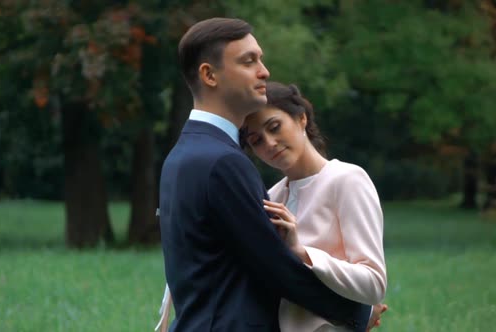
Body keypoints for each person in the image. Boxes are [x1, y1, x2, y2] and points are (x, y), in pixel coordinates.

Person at [158, 17, 372, 332]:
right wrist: (359, 312)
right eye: (249, 61)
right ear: (209, 74)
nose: (264, 71)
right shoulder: (223, 162)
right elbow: (275, 267)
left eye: (260, 58)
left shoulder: (181, 155)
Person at [241, 81, 388, 331]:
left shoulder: (346, 179)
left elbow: (374, 284)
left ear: (301, 119)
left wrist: (302, 252)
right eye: (256, 140)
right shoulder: (271, 198)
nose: (270, 143)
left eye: (275, 127)